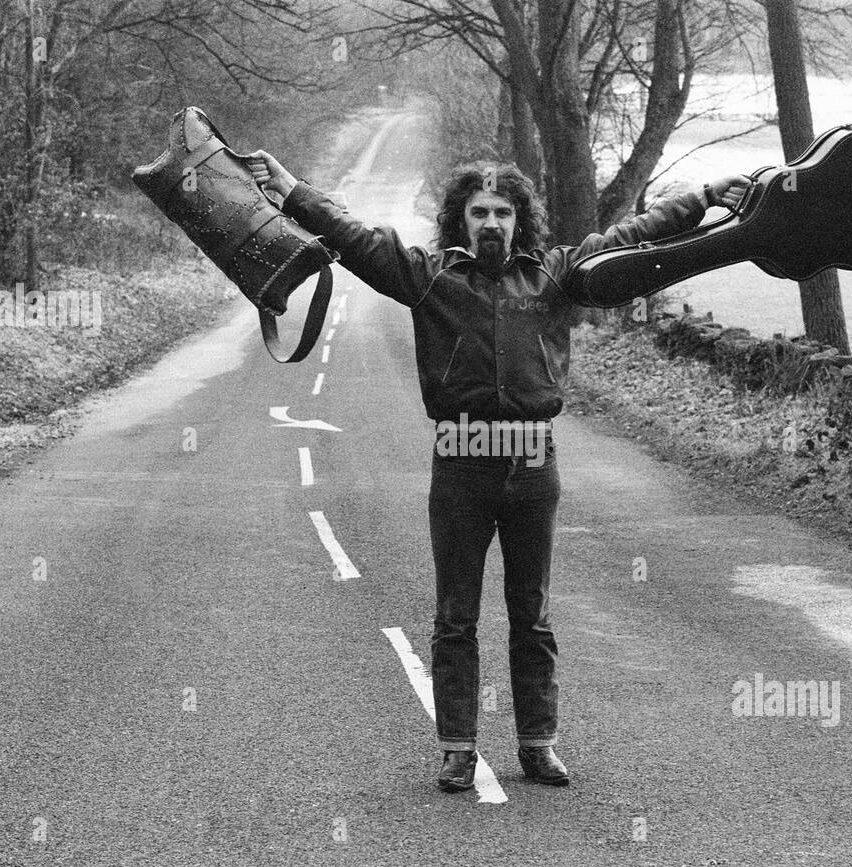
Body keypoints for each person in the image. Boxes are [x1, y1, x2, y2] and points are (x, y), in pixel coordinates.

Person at [249, 148, 749, 792]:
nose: (491, 222)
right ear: (461, 221)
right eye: (479, 211)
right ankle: (458, 747)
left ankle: (538, 745)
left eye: (503, 212)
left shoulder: (557, 276)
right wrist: (290, 189)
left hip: (533, 463)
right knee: (456, 615)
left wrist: (704, 194)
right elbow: (352, 237)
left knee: (531, 614)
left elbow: (634, 237)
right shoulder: (428, 276)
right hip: (460, 463)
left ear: (520, 220)